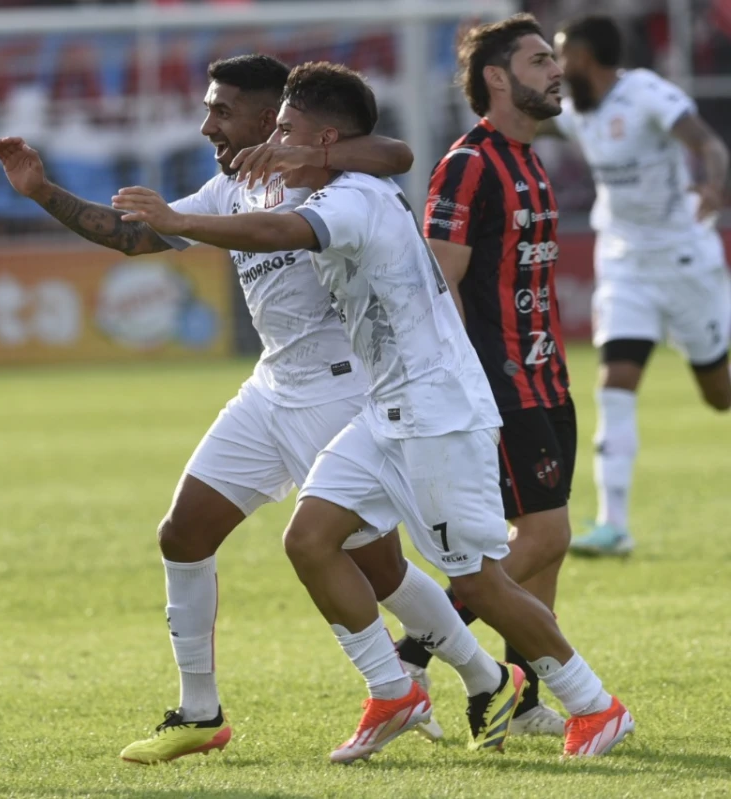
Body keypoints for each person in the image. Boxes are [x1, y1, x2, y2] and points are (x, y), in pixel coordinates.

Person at [0, 54, 520, 764]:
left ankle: (483, 679)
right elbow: (130, 236)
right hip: (271, 388)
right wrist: (39, 190)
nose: (206, 122)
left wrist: (305, 151)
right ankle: (199, 709)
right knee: (182, 533)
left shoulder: (333, 177)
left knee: (379, 568)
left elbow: (395, 151)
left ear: (274, 117)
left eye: (221, 109)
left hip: (341, 390)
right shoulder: (232, 184)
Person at [112, 59, 634, 759]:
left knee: (478, 575)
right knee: (309, 538)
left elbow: (280, 232)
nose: (275, 143)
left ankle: (595, 704)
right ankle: (394, 690)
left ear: (324, 140)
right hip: (387, 407)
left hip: (438, 411)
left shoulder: (354, 197)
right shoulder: (322, 180)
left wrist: (180, 221)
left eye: (288, 131)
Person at [385, 13, 579, 738]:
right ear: (497, 77)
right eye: (538, 60)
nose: (555, 70)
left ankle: (521, 702)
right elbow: (440, 281)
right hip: (499, 382)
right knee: (544, 534)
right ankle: (412, 651)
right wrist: (466, 381)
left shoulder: (529, 157)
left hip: (546, 375)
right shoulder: (470, 162)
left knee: (541, 553)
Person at [546, 15, 730, 556]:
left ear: (588, 57)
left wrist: (714, 185)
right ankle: (614, 525)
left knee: (718, 395)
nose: (558, 66)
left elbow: (708, 144)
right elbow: (528, 123)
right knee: (614, 383)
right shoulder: (578, 110)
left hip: (683, 259)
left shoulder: (647, 94)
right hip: (623, 261)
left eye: (562, 54)